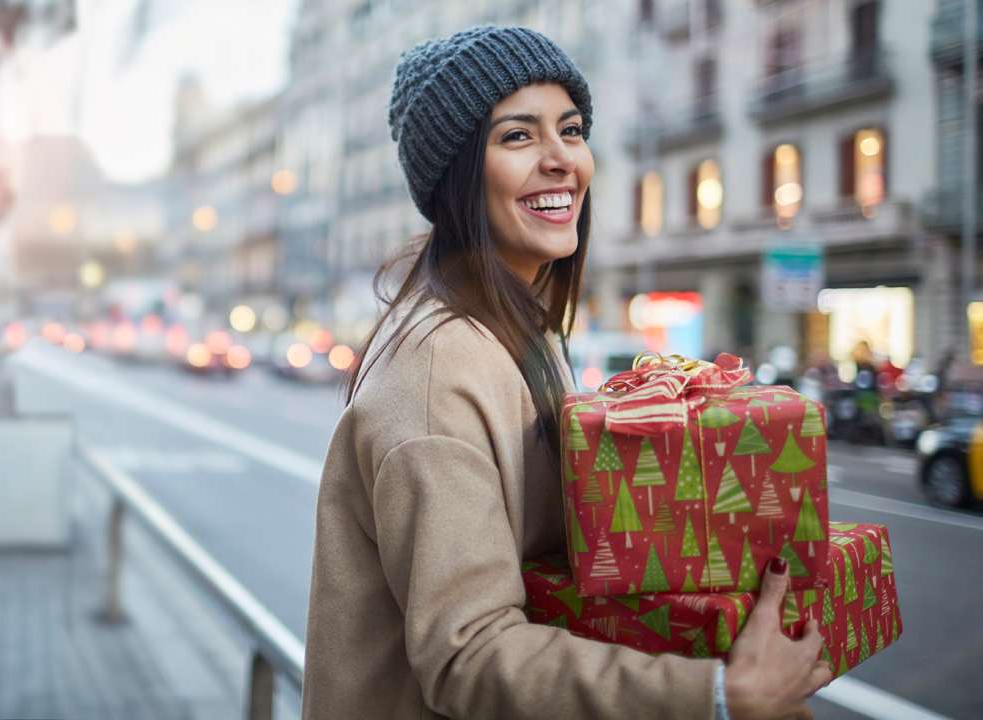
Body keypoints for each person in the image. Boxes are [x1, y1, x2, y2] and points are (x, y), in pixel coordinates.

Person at [302, 26, 831, 720]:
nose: (563, 162)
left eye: (572, 130)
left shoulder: (524, 328)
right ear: (457, 175)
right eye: (517, 137)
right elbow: (469, 655)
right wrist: (719, 697)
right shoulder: (437, 377)